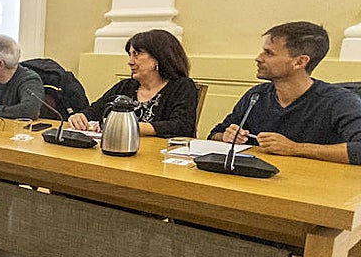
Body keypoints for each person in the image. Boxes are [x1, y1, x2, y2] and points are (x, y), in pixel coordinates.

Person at [210, 21, 361, 164]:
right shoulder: (256, 96)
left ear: (300, 62)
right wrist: (226, 136)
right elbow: (214, 134)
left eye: (268, 53)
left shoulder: (339, 102)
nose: (258, 58)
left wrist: (296, 148)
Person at [69, 30, 198, 138]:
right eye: (130, 55)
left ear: (158, 57)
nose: (130, 62)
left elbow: (181, 127)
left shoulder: (182, 86)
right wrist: (80, 117)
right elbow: (96, 110)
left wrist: (128, 127)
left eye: (137, 54)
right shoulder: (126, 86)